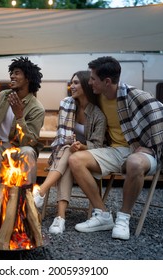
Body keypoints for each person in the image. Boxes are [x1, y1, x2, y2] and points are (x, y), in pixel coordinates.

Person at [69, 56, 163, 240]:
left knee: (134, 163)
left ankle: (123, 218)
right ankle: (102, 214)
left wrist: (152, 148)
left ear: (107, 81)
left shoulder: (135, 96)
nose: (90, 82)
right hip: (114, 150)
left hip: (141, 152)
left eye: (93, 79)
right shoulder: (98, 98)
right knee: (75, 160)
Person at [32, 70, 106, 234]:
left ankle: (42, 193)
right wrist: (72, 147)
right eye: (71, 82)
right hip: (69, 153)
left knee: (69, 153)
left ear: (86, 85)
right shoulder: (67, 104)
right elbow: (62, 137)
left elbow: (99, 145)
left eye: (76, 83)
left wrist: (81, 147)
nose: (71, 86)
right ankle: (60, 217)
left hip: (91, 156)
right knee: (67, 153)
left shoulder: (98, 114)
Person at [0, 56, 45, 226]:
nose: (12, 77)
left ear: (28, 78)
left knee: (29, 152)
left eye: (17, 73)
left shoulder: (36, 107)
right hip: (0, 146)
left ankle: (24, 206)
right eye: (11, 73)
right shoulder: (3, 96)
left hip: (20, 148)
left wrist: (20, 116)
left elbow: (30, 142)